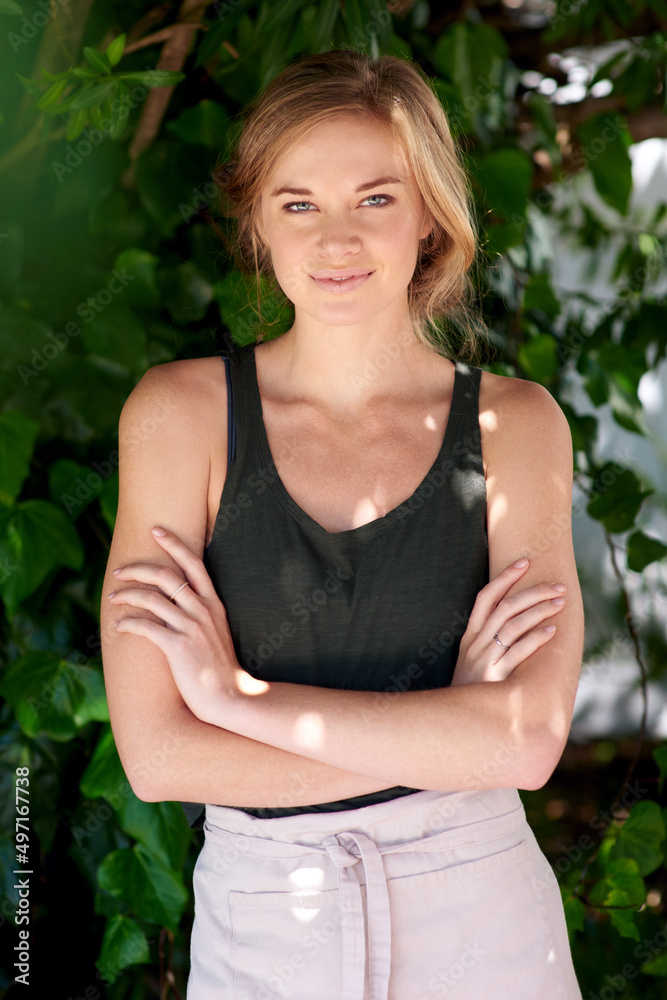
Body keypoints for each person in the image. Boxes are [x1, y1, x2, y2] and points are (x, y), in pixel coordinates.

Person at [100, 49, 584, 1000]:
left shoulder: (517, 427)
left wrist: (236, 703)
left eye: (374, 200)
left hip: (479, 913)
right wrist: (445, 734)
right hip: (266, 918)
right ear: (256, 224)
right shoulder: (179, 416)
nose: (335, 240)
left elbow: (524, 744)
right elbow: (158, 759)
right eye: (297, 204)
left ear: (429, 219)